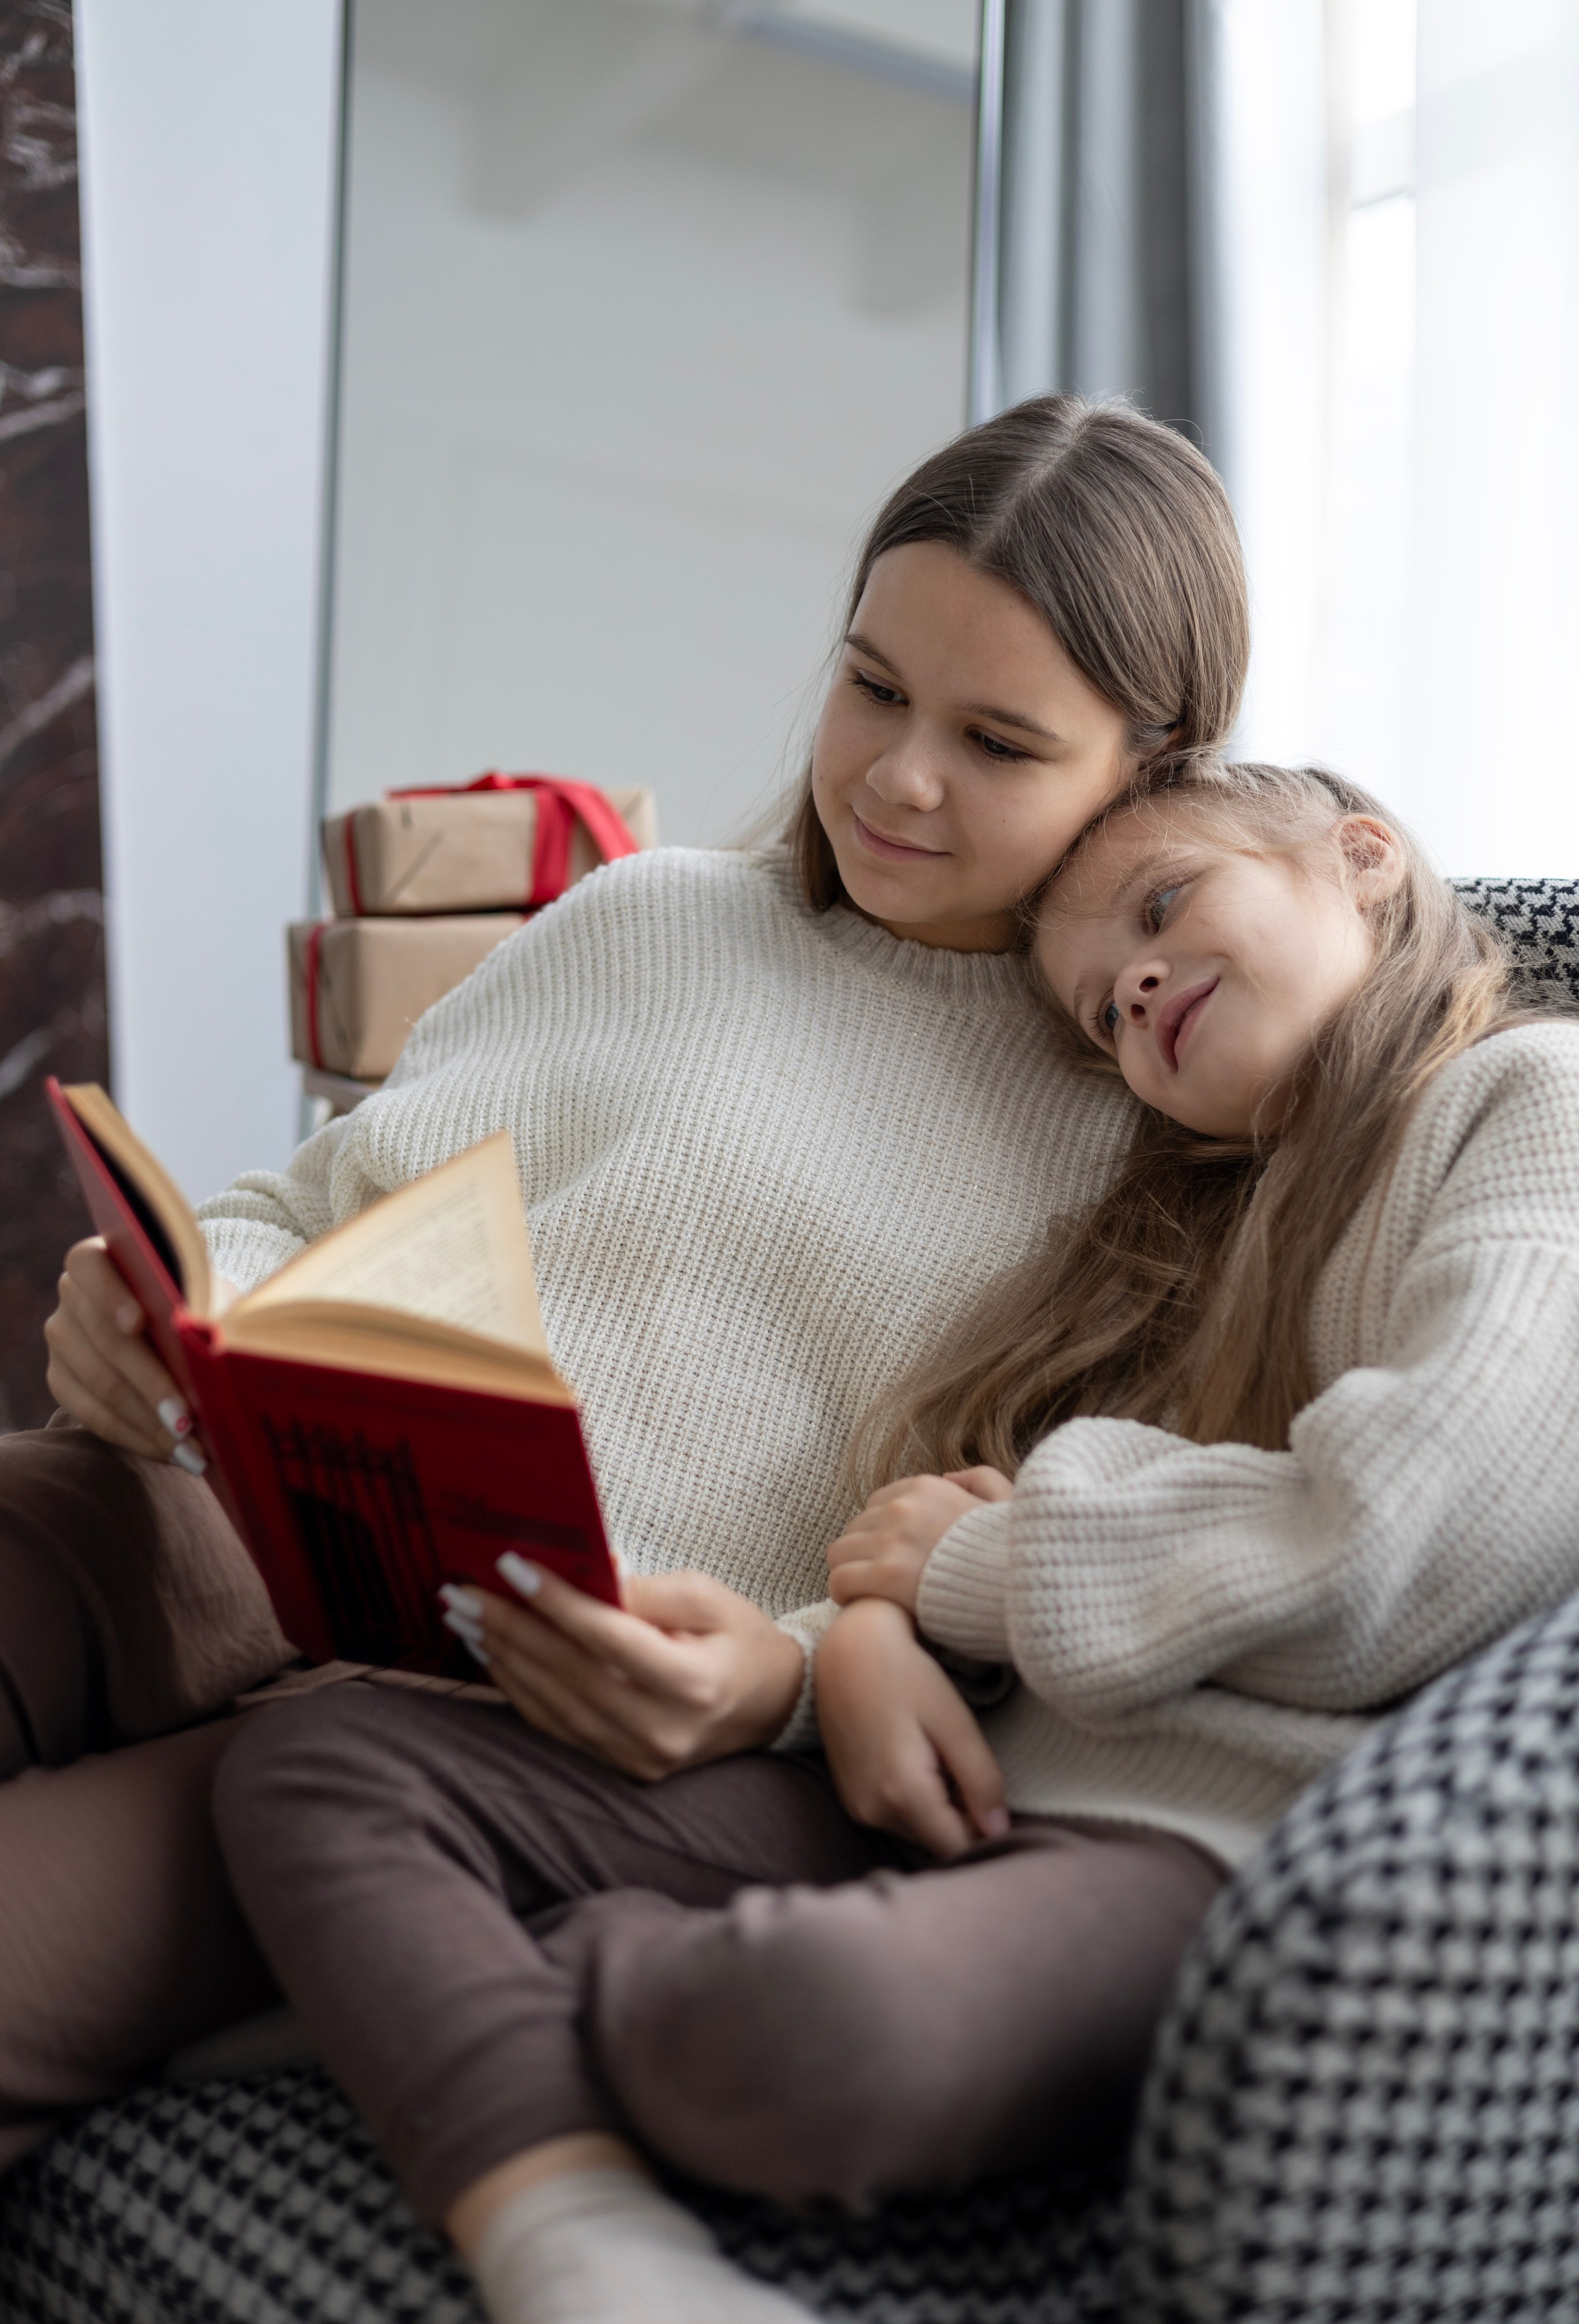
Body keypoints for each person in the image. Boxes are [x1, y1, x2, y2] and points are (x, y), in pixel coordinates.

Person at [0, 395, 1249, 2190]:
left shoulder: (1153, 1135)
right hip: (262, 1530)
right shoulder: (650, 914)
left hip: (531, 1714)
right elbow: (310, 1202)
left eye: (996, 741)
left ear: (1155, 768)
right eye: (871, 686)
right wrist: (169, 1310)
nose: (900, 775)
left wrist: (789, 1685)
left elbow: (1057, 1597)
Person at [215, 761, 1579, 2324]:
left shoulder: (1527, 1102)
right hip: (967, 1770)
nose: (1132, 996)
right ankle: (440, 1997)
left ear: (1362, 863)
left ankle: (426, 1992)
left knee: (787, 2034)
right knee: (327, 1761)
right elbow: (936, 1524)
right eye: (1096, 1019)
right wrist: (869, 1628)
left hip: (1200, 1833)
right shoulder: (1210, 1212)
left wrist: (987, 1571)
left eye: (1160, 907)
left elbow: (1408, 1537)